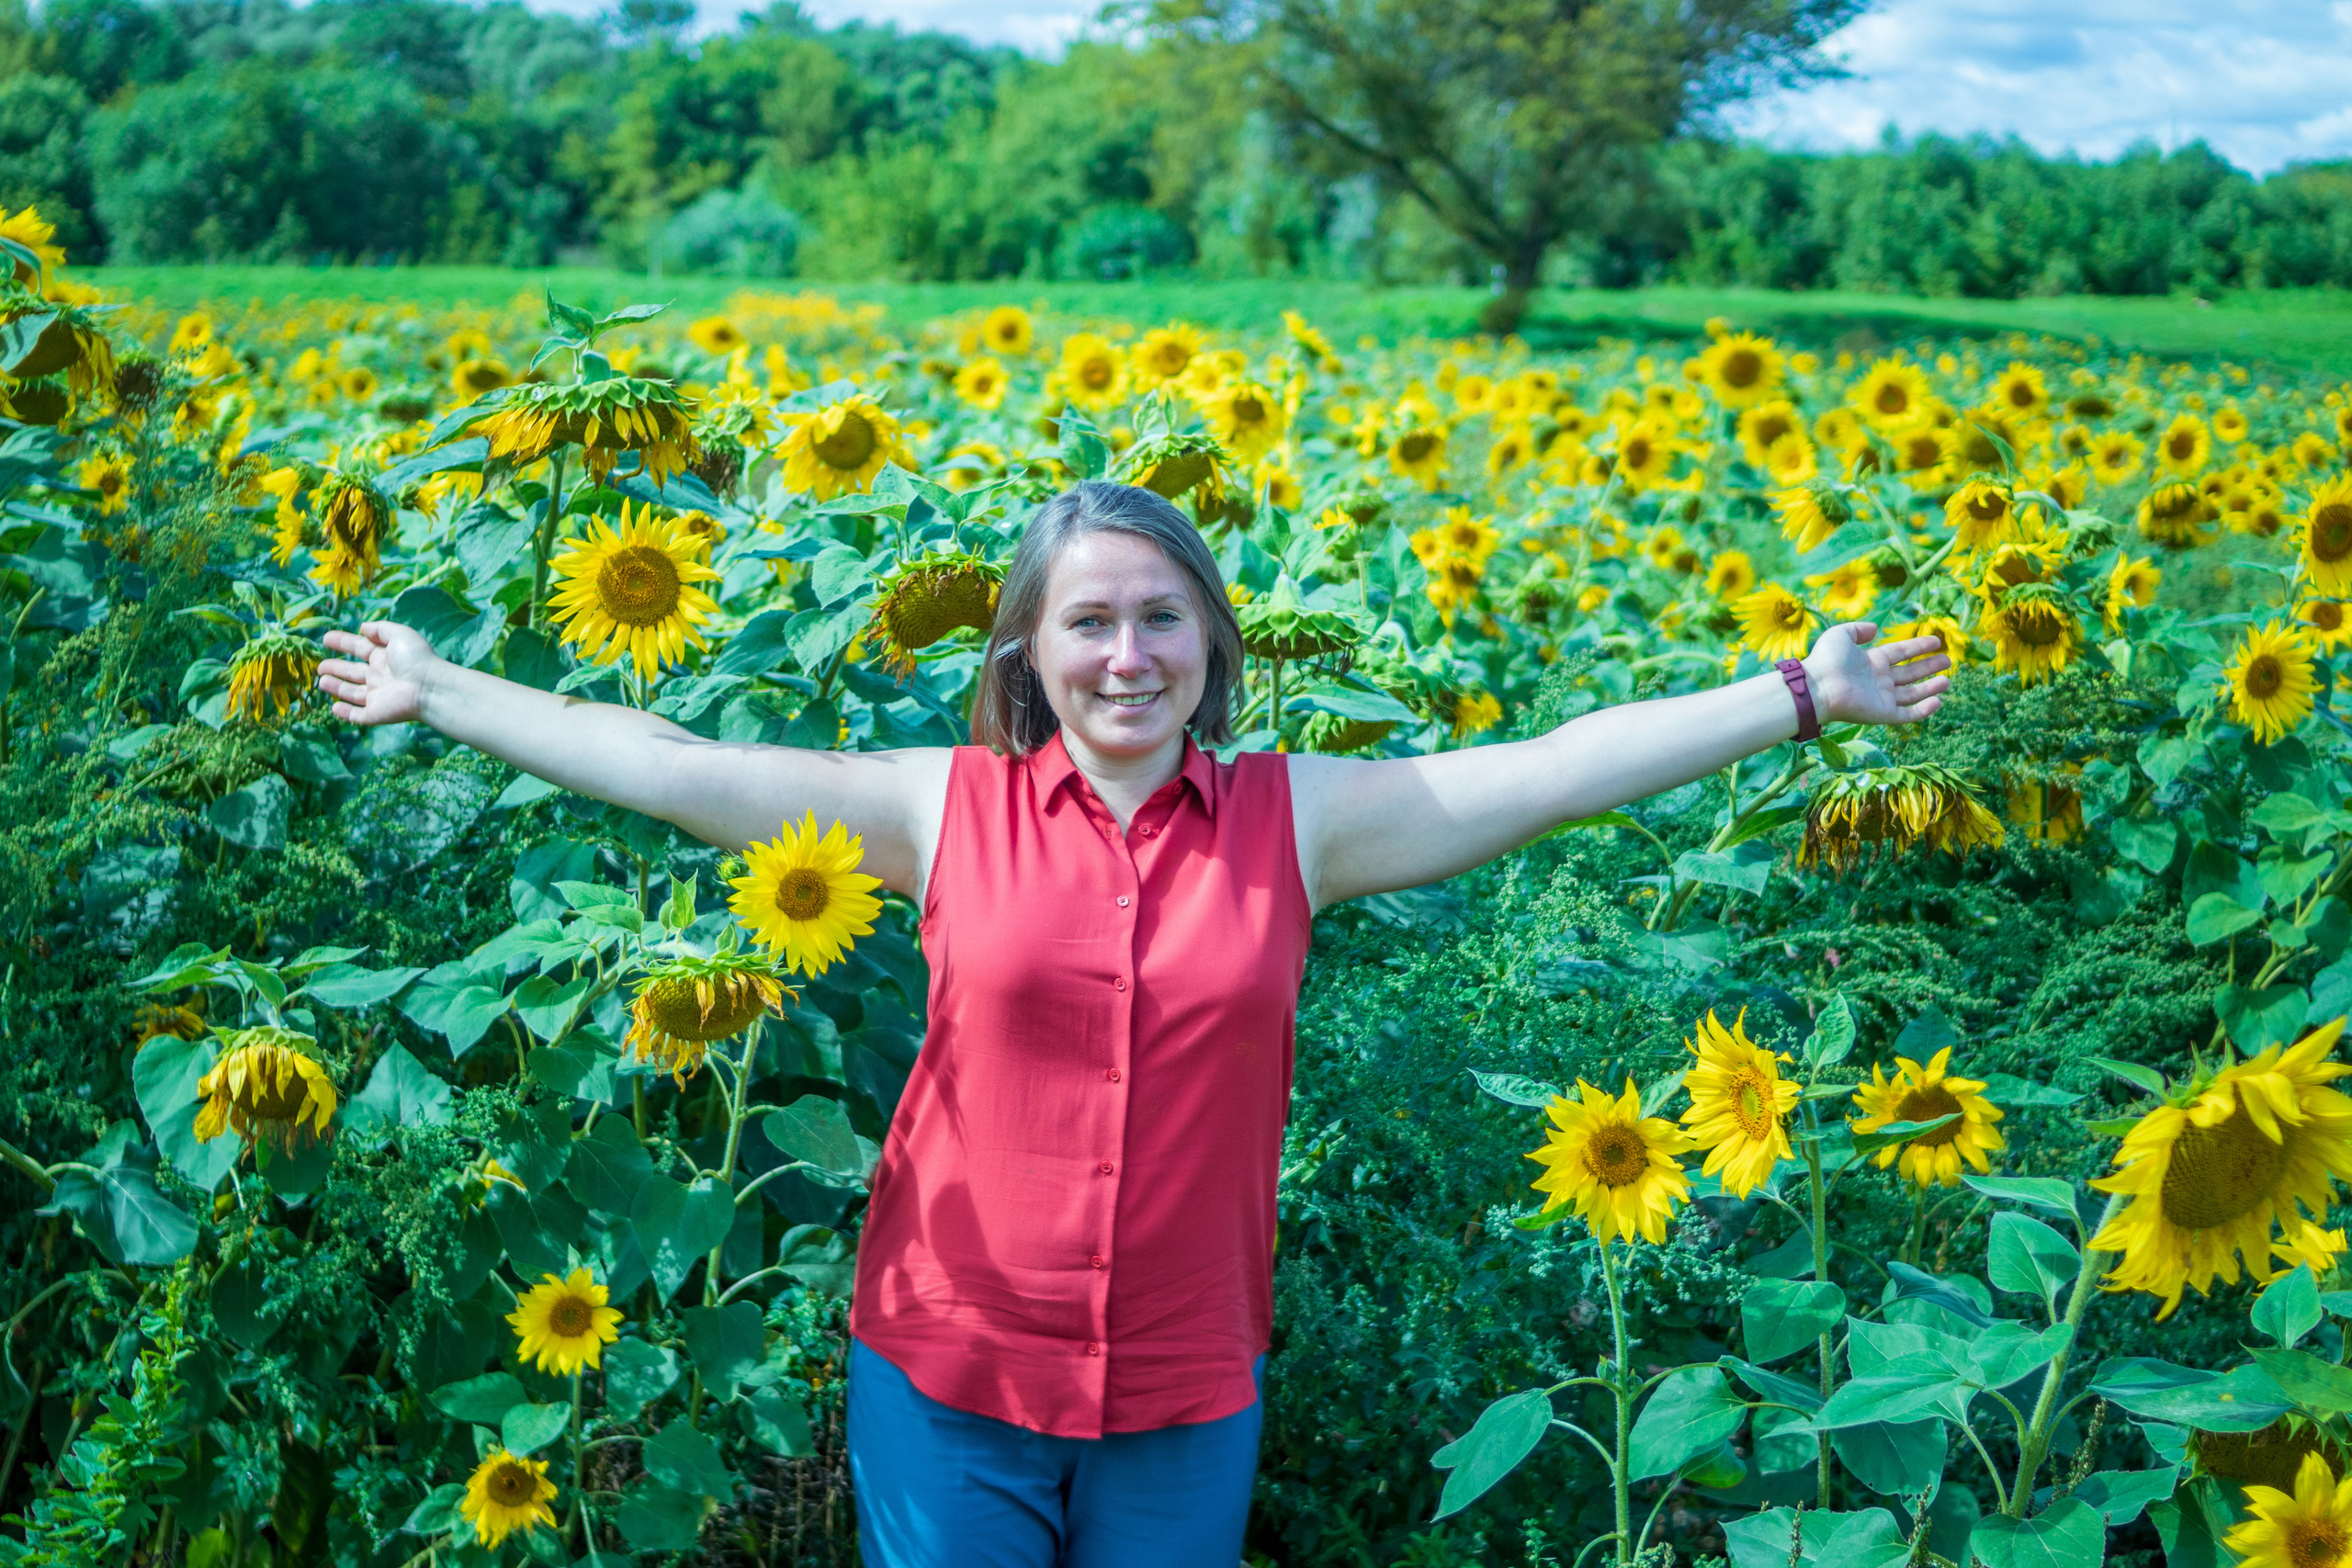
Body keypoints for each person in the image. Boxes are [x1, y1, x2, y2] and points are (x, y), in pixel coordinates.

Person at [317, 479, 1948, 1568]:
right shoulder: (938, 809)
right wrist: (442, 690)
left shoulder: (1296, 822)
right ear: (1029, 649)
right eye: (1090, 622)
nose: (1128, 654)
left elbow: (1548, 769)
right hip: (948, 1378)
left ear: (1212, 644)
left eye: (1162, 618)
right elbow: (674, 764)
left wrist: (1803, 693)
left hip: (1183, 1390)